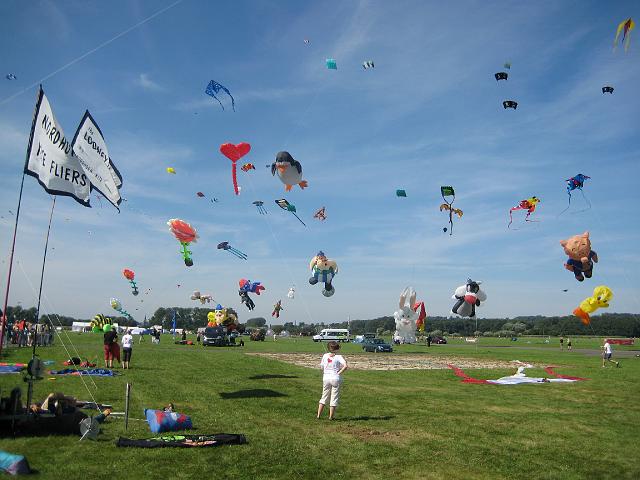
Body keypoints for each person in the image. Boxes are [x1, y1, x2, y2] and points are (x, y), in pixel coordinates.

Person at [317, 341, 348, 420]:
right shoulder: (339, 357)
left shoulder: (325, 355)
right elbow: (345, 366)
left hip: (326, 378)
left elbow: (322, 367)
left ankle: (318, 416)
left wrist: (325, 371)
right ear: (337, 349)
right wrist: (339, 372)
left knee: (324, 396)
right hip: (335, 379)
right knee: (334, 398)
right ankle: (331, 417)